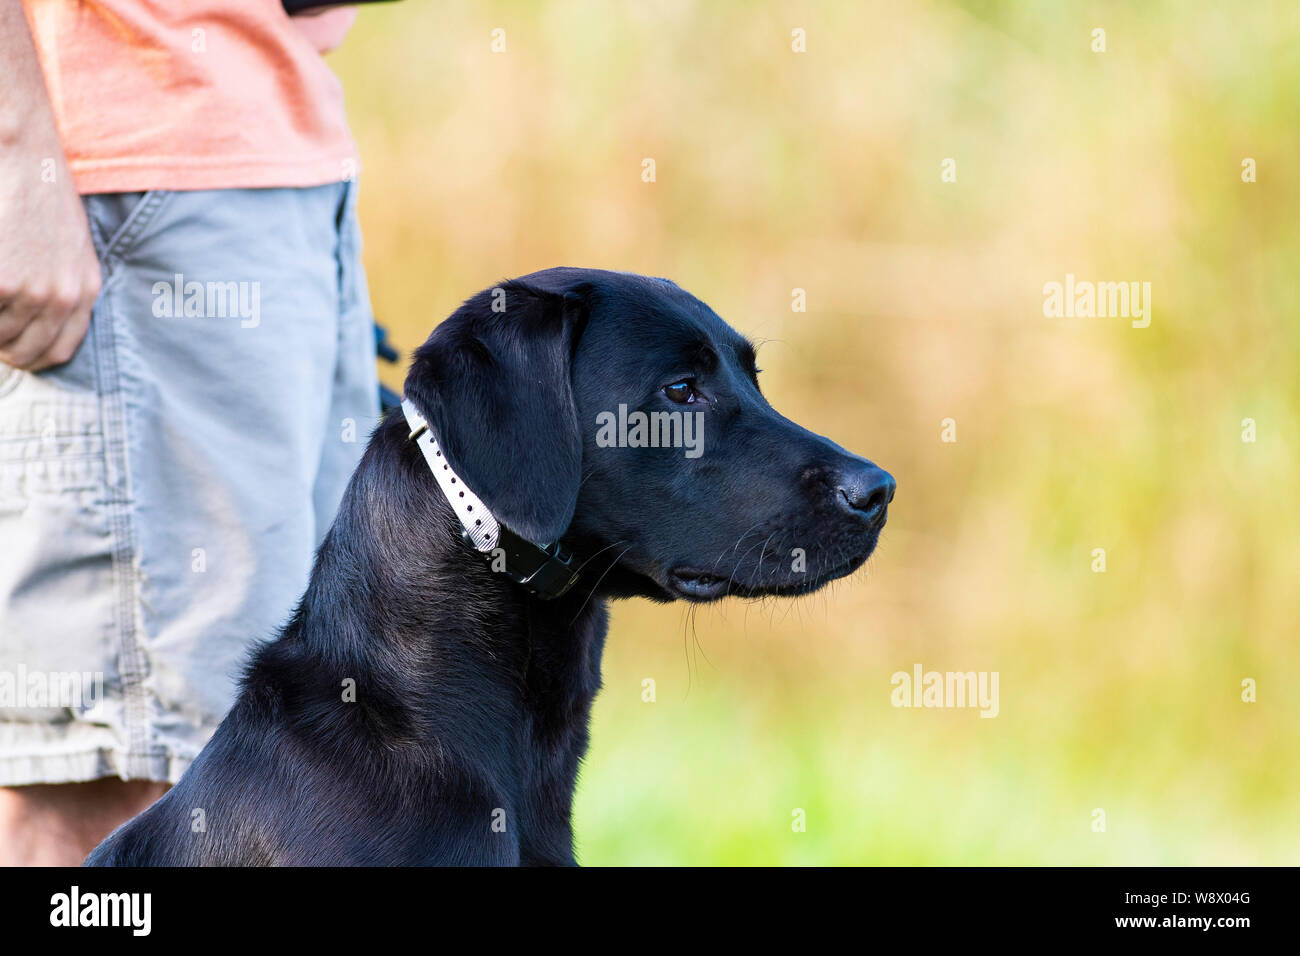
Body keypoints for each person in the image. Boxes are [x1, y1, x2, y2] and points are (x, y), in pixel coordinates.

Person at [0, 0, 379, 864]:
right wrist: (16, 158)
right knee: (127, 780)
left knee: (298, 768)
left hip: (279, 146)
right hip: (123, 171)